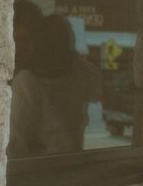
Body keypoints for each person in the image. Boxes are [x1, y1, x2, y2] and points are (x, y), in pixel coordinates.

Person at [8, 14, 101, 157]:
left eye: (26, 41)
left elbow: (14, 146)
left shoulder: (26, 84)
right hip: (71, 164)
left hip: (37, 171)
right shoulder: (81, 73)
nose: (20, 47)